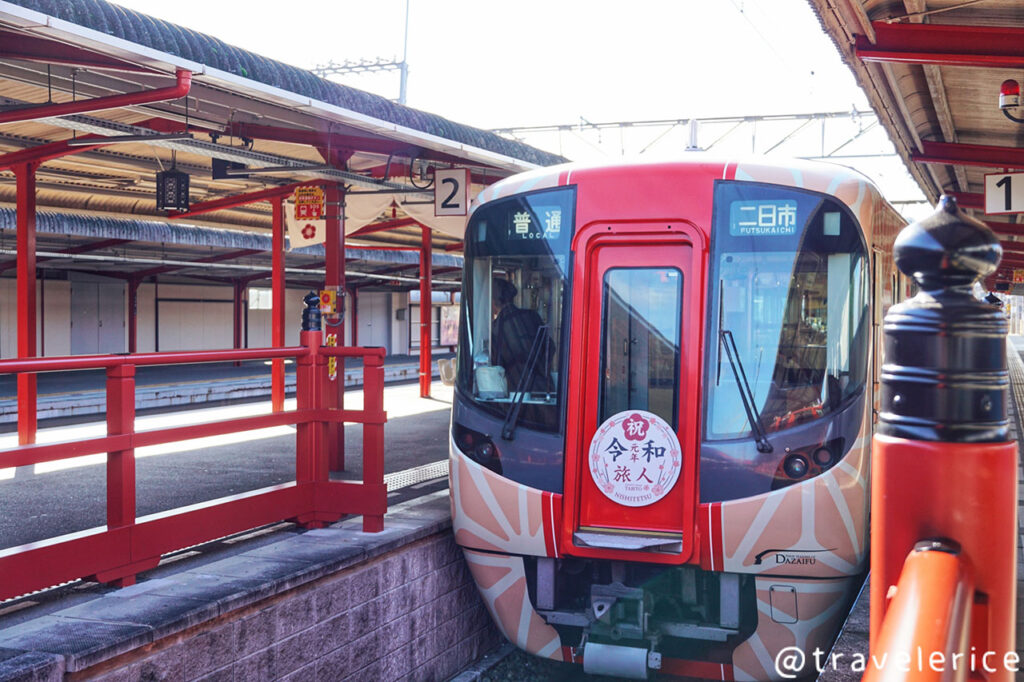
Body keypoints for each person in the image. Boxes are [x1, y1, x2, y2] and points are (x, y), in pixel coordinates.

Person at [491, 278, 551, 392]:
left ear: (493, 302)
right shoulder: (532, 316)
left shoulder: (496, 327)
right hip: (544, 388)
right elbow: (550, 347)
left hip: (517, 393)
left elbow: (495, 366)